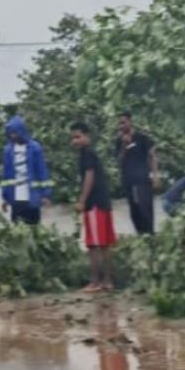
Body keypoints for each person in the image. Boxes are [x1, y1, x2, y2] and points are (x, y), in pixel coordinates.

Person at [70, 120, 115, 293]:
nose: (74, 141)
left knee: (94, 245)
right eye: (72, 138)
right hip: (102, 202)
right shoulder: (88, 154)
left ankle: (96, 282)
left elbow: (89, 177)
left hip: (95, 204)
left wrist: (82, 200)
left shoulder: (87, 154)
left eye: (78, 137)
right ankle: (107, 281)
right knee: (103, 244)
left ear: (87, 137)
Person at [1, 116, 52, 225]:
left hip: (32, 197)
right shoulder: (8, 150)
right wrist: (5, 198)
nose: (13, 136)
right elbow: (6, 175)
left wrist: (45, 195)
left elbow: (42, 171)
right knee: (18, 230)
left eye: (15, 132)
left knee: (34, 228)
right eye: (11, 133)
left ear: (21, 131)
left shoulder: (35, 148)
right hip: (16, 198)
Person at [114, 111, 158, 235]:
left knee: (145, 210)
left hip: (143, 180)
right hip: (128, 181)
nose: (121, 126)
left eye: (123, 122)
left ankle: (150, 235)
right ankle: (141, 236)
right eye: (119, 124)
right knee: (134, 212)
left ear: (130, 122)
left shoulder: (142, 138)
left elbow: (152, 156)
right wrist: (124, 146)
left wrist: (155, 176)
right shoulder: (118, 141)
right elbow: (119, 161)